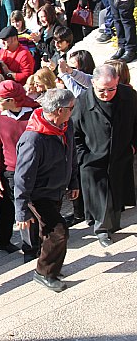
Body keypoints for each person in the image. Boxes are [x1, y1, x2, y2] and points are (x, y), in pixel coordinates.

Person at [15, 88, 78, 292]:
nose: (73, 111)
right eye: (71, 108)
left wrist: (73, 181)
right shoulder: (34, 139)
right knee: (58, 232)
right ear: (59, 110)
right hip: (39, 195)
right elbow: (22, 177)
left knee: (48, 233)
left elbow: (71, 155)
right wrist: (22, 210)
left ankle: (51, 266)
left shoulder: (64, 126)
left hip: (56, 190)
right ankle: (44, 273)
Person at [72, 65, 137, 247]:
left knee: (116, 195)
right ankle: (102, 231)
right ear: (92, 83)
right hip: (92, 160)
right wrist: (83, 156)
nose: (107, 94)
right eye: (101, 90)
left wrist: (133, 147)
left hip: (119, 156)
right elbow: (74, 134)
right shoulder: (82, 101)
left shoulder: (129, 96)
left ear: (117, 83)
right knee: (101, 197)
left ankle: (112, 226)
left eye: (111, 89)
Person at [0, 81, 39, 261]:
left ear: (11, 100)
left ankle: (44, 245)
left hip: (38, 171)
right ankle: (30, 250)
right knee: (22, 211)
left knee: (40, 208)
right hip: (12, 173)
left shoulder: (35, 112)